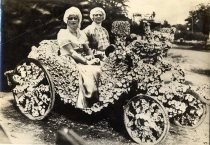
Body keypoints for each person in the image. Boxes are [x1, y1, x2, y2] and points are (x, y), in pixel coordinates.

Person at [57, 7, 101, 109]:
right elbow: (72, 53)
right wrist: (87, 62)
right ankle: (89, 100)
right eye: (70, 18)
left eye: (75, 18)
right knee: (90, 72)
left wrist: (94, 59)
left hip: (82, 59)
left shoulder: (81, 34)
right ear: (66, 20)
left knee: (100, 67)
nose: (73, 20)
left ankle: (100, 98)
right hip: (69, 60)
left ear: (79, 20)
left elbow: (88, 49)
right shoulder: (62, 33)